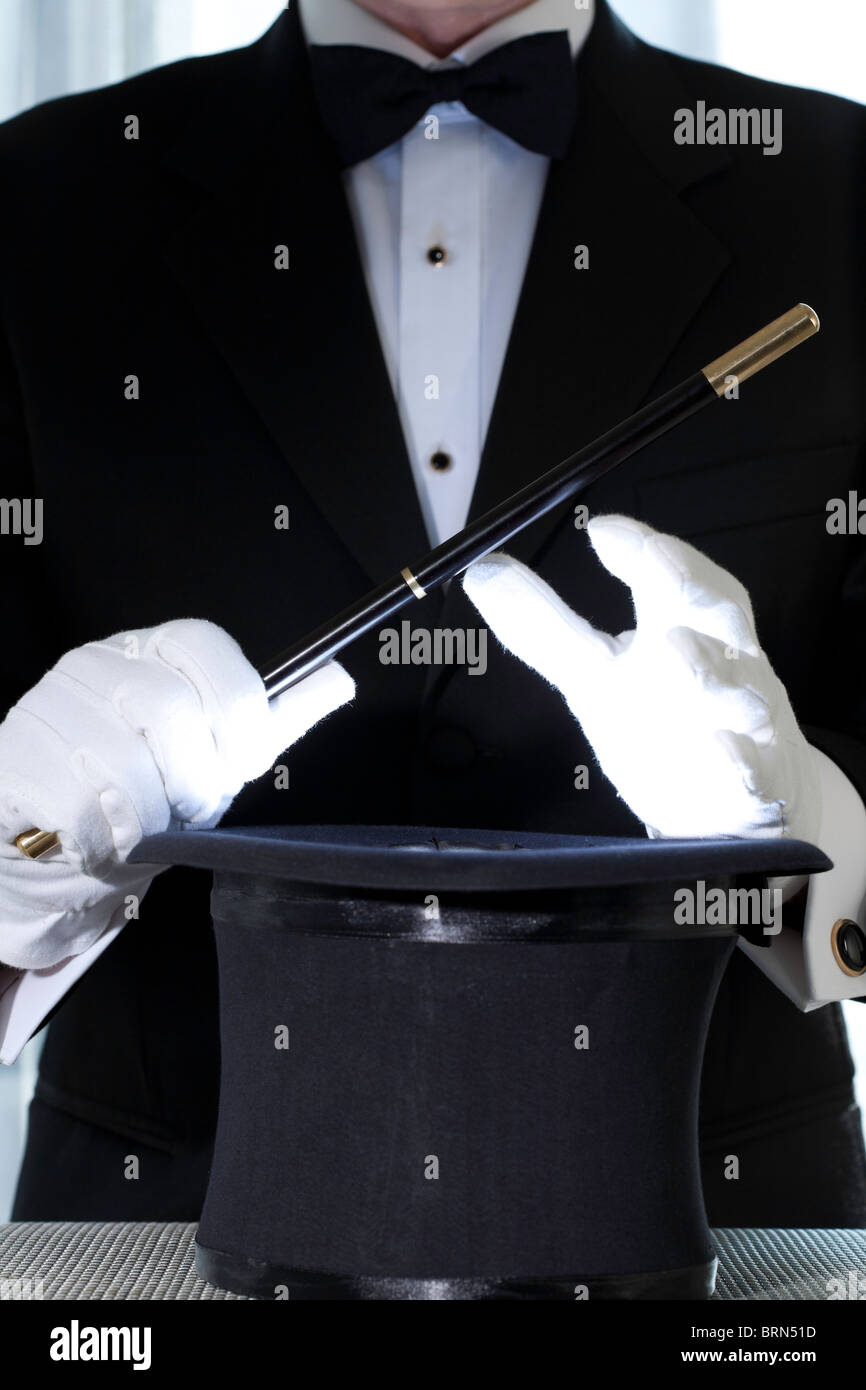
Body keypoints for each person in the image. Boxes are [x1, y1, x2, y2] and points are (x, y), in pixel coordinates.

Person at [1, 0, 865, 1227]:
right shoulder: (35, 199)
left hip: (719, 1233)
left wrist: (800, 819)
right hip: (160, 1229)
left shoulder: (836, 190)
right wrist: (12, 860)